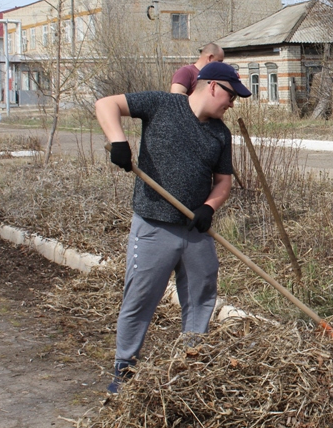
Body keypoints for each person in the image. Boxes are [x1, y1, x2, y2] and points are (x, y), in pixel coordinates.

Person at [95, 62, 251, 394]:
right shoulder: (162, 104)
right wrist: (118, 141)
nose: (232, 103)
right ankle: (124, 371)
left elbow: (223, 182)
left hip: (196, 231)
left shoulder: (220, 133)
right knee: (140, 298)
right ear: (212, 87)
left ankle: (190, 363)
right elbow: (106, 105)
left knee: (201, 296)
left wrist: (209, 207)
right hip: (154, 227)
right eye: (230, 95)